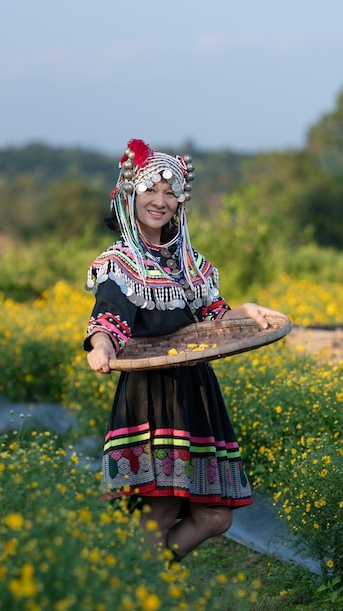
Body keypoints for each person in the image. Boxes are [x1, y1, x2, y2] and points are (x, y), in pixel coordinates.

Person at [83, 138, 286, 562]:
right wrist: (100, 346)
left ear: (180, 201)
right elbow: (108, 318)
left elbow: (214, 317)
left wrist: (246, 311)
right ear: (129, 195)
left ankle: (136, 583)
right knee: (163, 504)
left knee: (215, 517)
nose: (160, 201)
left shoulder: (186, 262)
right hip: (151, 397)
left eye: (170, 192)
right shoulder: (119, 263)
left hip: (196, 394)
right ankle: (134, 589)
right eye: (151, 190)